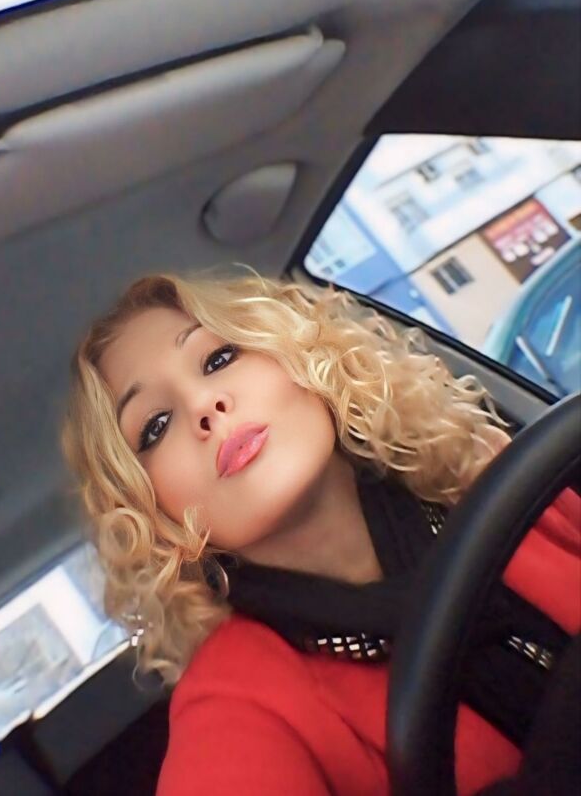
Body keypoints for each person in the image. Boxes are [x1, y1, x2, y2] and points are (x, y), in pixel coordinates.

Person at [62, 267, 580, 796]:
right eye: (155, 425)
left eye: (219, 359)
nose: (203, 406)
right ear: (154, 515)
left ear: (302, 355)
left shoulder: (487, 472)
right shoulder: (235, 702)